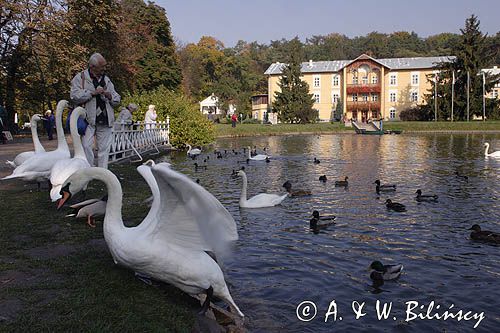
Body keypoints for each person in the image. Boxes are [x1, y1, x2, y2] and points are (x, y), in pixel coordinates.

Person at [70, 53, 121, 169]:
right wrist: (92, 93)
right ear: (92, 66)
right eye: (101, 66)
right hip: (88, 119)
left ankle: (103, 173)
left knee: (104, 148)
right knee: (86, 146)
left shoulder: (106, 80)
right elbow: (74, 96)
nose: (104, 68)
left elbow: (117, 99)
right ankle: (88, 171)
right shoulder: (80, 78)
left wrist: (109, 96)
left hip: (105, 118)